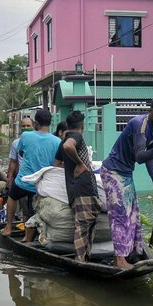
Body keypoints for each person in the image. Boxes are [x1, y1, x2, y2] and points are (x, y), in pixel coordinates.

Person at [99, 96, 153, 270]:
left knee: (133, 214)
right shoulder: (138, 124)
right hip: (112, 171)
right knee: (120, 215)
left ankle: (131, 253)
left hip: (126, 173)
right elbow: (140, 157)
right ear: (151, 111)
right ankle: (119, 260)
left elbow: (150, 158)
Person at [2, 109, 61, 240]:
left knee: (12, 197)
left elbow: (21, 153)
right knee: (32, 210)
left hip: (24, 181)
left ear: (36, 123)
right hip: (41, 184)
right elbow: (56, 164)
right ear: (50, 123)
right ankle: (29, 239)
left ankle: (8, 227)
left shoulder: (26, 136)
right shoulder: (57, 141)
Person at [53, 111, 101, 262]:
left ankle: (85, 257)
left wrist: (71, 167)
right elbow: (69, 146)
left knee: (88, 223)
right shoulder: (76, 137)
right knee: (83, 225)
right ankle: (80, 261)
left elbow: (56, 165)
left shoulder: (63, 141)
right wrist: (80, 164)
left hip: (75, 189)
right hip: (84, 188)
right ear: (82, 126)